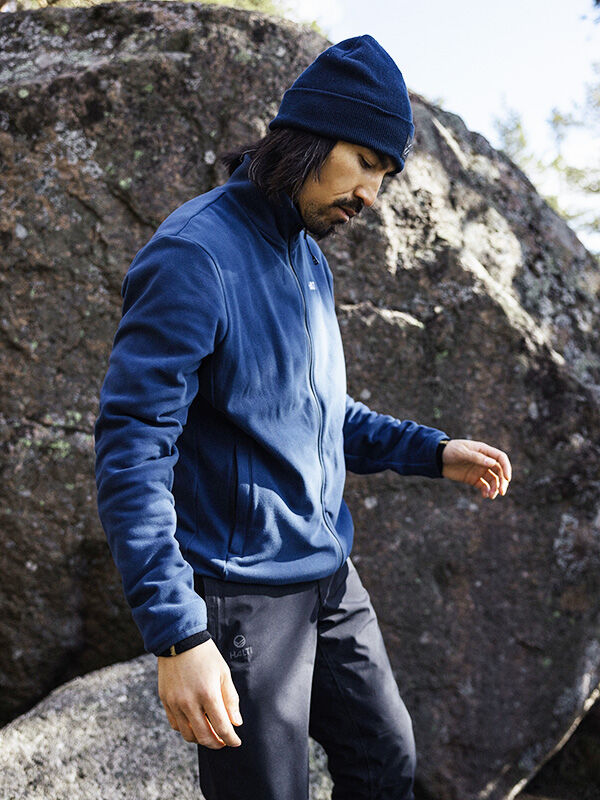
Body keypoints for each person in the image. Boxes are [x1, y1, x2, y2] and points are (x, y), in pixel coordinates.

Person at [94, 35, 511, 800]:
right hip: (239, 593)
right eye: (365, 163)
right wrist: (178, 634)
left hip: (328, 576)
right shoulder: (194, 254)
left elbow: (315, 409)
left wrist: (434, 451)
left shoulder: (307, 254)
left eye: (385, 176)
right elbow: (132, 451)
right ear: (310, 136)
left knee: (387, 764)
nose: (371, 197)